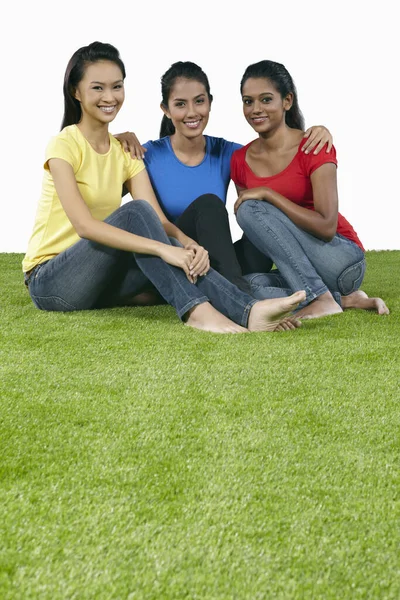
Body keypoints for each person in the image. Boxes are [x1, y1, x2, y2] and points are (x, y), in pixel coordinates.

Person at [22, 42, 306, 334]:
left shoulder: (125, 153)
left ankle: (249, 312)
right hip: (51, 280)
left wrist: (187, 244)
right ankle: (198, 312)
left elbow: (157, 221)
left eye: (116, 86)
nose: (109, 97)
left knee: (166, 240)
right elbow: (85, 227)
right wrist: (164, 249)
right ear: (76, 92)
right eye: (97, 88)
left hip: (99, 281)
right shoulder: (63, 144)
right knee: (137, 215)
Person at [116, 61, 333, 293]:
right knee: (209, 205)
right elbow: (103, 199)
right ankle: (240, 295)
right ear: (166, 109)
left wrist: (312, 134)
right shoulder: (145, 155)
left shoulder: (229, 154)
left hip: (212, 260)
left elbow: (278, 166)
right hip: (168, 257)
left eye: (199, 101)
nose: (192, 112)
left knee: (255, 237)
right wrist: (112, 140)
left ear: (210, 103)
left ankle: (317, 294)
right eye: (180, 104)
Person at [231, 60, 389, 319]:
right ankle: (341, 299)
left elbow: (327, 228)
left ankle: (320, 298)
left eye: (266, 99)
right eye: (248, 101)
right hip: (305, 269)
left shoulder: (314, 146)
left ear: (287, 101)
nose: (256, 109)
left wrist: (270, 194)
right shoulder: (239, 159)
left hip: (341, 258)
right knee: (246, 287)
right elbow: (265, 232)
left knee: (248, 208)